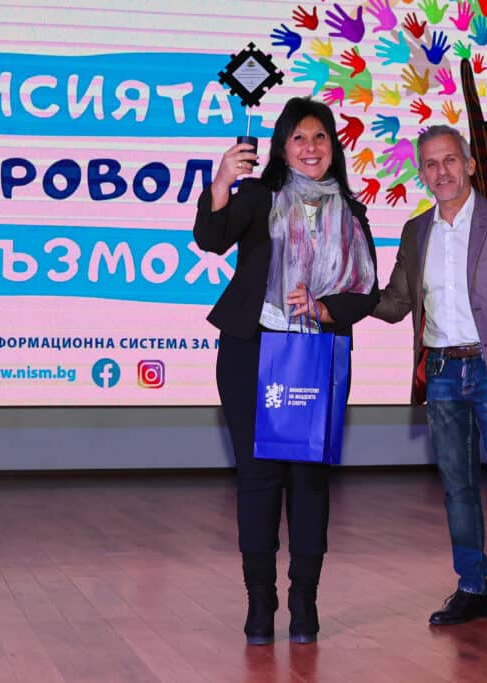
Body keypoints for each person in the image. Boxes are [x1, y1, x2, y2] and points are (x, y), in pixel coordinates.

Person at [193, 97, 378, 645]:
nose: (310, 147)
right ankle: (259, 602)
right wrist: (221, 181)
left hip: (317, 353)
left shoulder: (351, 211)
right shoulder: (258, 196)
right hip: (251, 353)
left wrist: (323, 308)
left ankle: (304, 602)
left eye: (319, 137)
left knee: (309, 481)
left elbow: (366, 290)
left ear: (333, 147)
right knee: (257, 478)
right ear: (281, 146)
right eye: (298, 138)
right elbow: (211, 238)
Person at [370, 125, 487, 633]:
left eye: (450, 160)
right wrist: (342, 294)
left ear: (469, 165)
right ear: (422, 173)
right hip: (442, 372)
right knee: (457, 489)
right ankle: (472, 588)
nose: (441, 171)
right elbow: (395, 303)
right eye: (430, 164)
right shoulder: (416, 231)